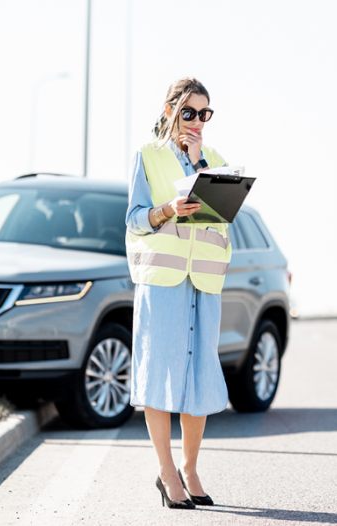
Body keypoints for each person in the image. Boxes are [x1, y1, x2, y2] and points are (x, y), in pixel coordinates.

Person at [125, 77, 231, 510]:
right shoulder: (148, 158)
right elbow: (134, 219)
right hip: (163, 284)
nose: (197, 121)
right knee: (159, 379)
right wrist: (168, 209)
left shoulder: (219, 162)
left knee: (199, 379)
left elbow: (222, 222)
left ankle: (190, 467)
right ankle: (167, 472)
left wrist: (200, 170)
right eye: (189, 112)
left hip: (203, 284)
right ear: (170, 112)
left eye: (204, 113)